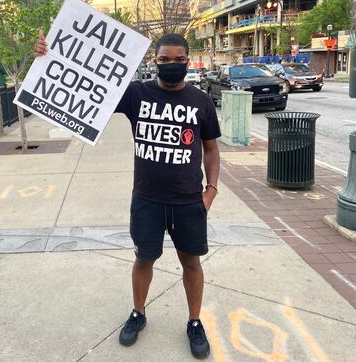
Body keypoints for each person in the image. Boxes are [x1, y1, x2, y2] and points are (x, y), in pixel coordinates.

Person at [34, 32, 221, 359]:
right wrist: (47, 59)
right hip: (147, 200)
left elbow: (211, 149)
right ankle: (138, 313)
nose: (172, 65)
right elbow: (84, 85)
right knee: (144, 259)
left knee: (191, 263)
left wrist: (211, 190)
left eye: (179, 60)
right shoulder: (137, 94)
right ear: (155, 62)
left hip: (188, 201)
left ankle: (194, 321)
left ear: (188, 62)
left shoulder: (200, 101)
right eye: (165, 60)